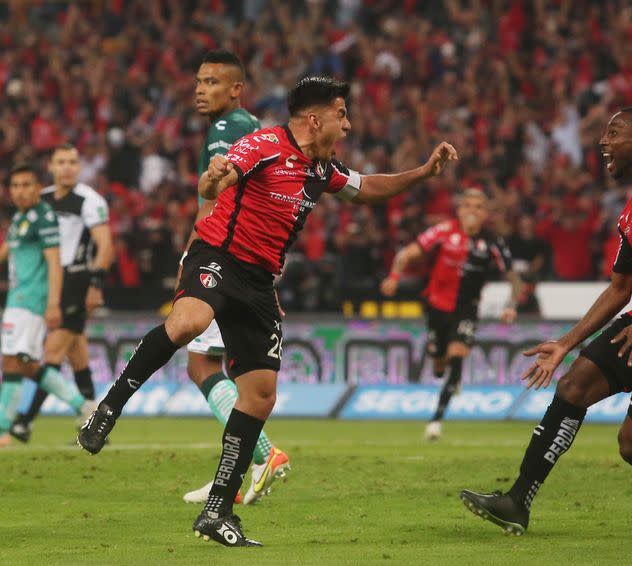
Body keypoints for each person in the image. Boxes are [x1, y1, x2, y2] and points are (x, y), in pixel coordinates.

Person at [78, 76, 459, 547]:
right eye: (342, 114)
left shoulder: (321, 171)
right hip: (217, 255)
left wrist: (422, 173)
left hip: (259, 283)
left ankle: (217, 512)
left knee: (259, 397)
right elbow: (216, 179)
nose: (349, 124)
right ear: (316, 118)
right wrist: (213, 177)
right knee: (189, 323)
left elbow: (367, 188)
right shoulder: (263, 144)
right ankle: (107, 409)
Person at [460, 107, 632, 538]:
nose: (603, 141)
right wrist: (565, 343)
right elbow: (620, 288)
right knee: (572, 386)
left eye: (613, 133)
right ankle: (517, 501)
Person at [178, 49, 290, 507]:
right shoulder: (248, 127)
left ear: (236, 89)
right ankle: (239, 468)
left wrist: (190, 255)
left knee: (201, 366)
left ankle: (262, 456)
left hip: (222, 261)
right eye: (199, 82)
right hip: (246, 262)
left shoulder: (228, 129)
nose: (201, 90)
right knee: (230, 370)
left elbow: (217, 193)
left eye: (212, 82)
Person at [380, 188, 520, 440]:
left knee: (456, 358)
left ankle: (435, 421)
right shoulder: (443, 231)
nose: (472, 211)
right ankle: (447, 372)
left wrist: (511, 305)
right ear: (459, 210)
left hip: (466, 309)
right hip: (436, 307)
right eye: (467, 205)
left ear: (485, 213)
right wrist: (393, 276)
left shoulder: (492, 242)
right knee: (438, 366)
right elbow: (408, 253)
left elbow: (513, 278)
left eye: (478, 207)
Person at [10, 145, 112, 442]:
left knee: (52, 351)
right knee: (77, 354)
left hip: (77, 281)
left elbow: (105, 245)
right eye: (60, 162)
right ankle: (96, 425)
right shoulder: (40, 200)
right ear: (51, 167)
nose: (67, 167)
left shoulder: (89, 201)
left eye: (72, 162)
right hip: (48, 281)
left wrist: (96, 285)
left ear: (79, 167)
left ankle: (24, 421)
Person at [0, 164, 95, 447]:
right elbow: (7, 252)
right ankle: (84, 406)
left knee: (11, 361)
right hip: (19, 297)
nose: (19, 191)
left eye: (26, 185)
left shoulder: (43, 218)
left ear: (38, 188)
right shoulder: (21, 218)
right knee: (27, 365)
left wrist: (53, 303)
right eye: (15, 186)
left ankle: (4, 428)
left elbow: (55, 262)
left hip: (29, 299)